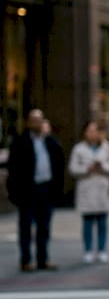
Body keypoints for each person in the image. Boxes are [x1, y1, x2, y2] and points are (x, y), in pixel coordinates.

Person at [6, 108, 66, 272]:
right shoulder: (20, 143)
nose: (36, 124)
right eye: (33, 120)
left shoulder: (50, 142)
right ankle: (25, 260)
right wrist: (14, 193)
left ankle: (42, 259)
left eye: (39, 120)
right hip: (27, 191)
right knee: (26, 227)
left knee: (44, 227)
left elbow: (59, 166)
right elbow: (13, 170)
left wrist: (58, 190)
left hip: (46, 189)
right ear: (28, 123)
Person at [67, 120, 109, 264]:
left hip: (102, 188)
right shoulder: (78, 149)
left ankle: (102, 250)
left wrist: (103, 166)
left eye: (95, 131)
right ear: (85, 132)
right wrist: (86, 169)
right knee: (87, 223)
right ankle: (88, 250)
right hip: (87, 189)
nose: (92, 134)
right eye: (90, 131)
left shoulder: (108, 148)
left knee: (102, 222)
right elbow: (73, 168)